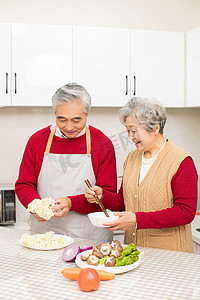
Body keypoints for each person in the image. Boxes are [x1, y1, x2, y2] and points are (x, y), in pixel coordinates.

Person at [85, 97, 198, 252]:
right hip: (134, 251)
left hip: (170, 255)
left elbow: (185, 212)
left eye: (134, 131)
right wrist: (102, 196)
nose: (131, 137)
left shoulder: (181, 161)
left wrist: (138, 219)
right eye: (128, 132)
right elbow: (124, 202)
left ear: (155, 128)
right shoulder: (132, 158)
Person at [15, 83, 124, 241]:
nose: (69, 126)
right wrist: (37, 207)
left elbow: (107, 194)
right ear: (55, 114)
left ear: (87, 114)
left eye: (76, 120)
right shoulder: (38, 141)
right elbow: (24, 184)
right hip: (45, 234)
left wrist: (71, 203)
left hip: (89, 236)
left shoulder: (102, 144)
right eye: (62, 119)